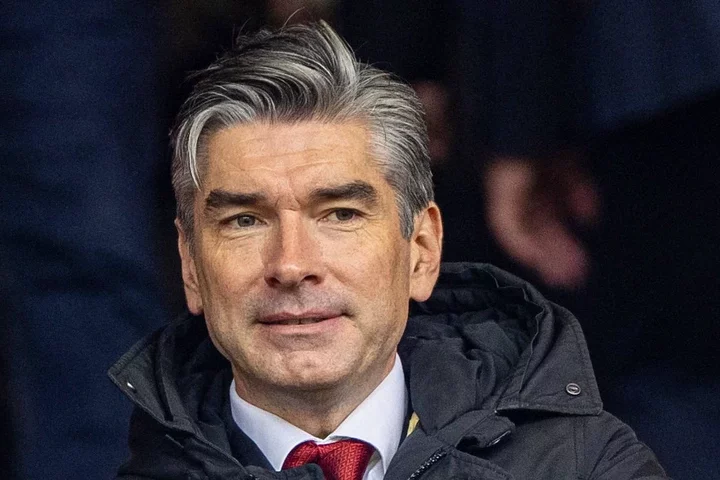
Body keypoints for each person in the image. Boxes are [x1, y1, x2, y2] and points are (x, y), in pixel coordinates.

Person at [109, 22, 667, 479]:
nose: (292, 264)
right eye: (245, 221)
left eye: (340, 215)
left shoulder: (586, 468)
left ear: (421, 251)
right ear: (190, 265)